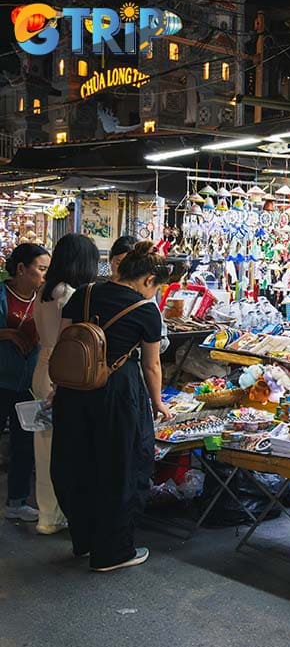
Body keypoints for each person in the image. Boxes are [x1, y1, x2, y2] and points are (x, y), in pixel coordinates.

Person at [51, 242, 172, 571]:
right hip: (118, 394)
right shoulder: (146, 311)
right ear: (147, 279)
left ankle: (85, 541)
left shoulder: (84, 293)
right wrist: (158, 402)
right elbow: (152, 366)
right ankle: (113, 552)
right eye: (156, 287)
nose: (154, 293)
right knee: (120, 467)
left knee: (77, 462)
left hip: (73, 389)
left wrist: (57, 387)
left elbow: (65, 343)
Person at [31, 234, 99, 534]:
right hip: (64, 371)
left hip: (42, 366)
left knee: (43, 445)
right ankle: (67, 512)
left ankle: (48, 516)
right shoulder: (69, 294)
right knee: (66, 447)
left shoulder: (44, 290)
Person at [1, 244, 50, 522]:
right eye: (41, 269)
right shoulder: (2, 293)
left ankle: (17, 501)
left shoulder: (44, 298)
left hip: (30, 382)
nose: (44, 276)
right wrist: (7, 334)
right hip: (1, 379)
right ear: (21, 268)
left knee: (24, 442)